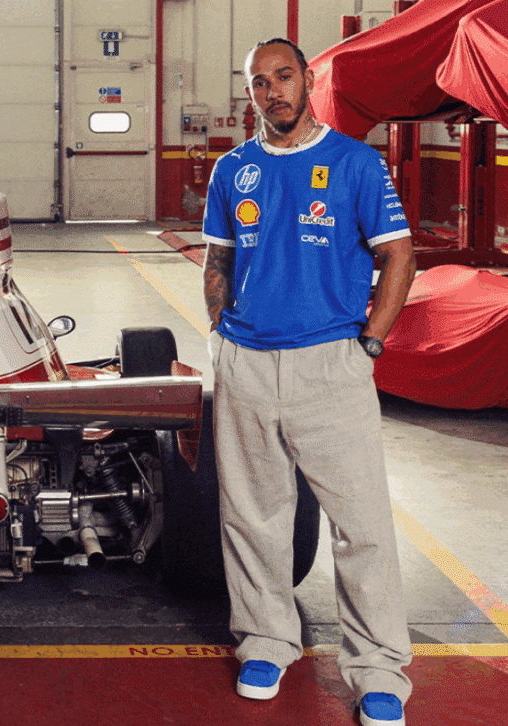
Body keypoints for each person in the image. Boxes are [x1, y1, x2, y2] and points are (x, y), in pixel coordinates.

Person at [202, 38, 416, 726]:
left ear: (309, 78)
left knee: (363, 525)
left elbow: (399, 256)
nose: (274, 92)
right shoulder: (233, 169)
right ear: (250, 94)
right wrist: (222, 335)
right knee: (252, 516)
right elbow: (218, 260)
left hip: (331, 363)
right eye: (260, 83)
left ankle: (377, 668)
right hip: (246, 363)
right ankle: (266, 640)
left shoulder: (355, 162)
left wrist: (370, 344)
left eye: (284, 76)